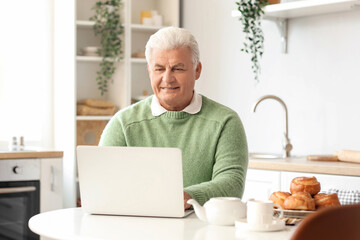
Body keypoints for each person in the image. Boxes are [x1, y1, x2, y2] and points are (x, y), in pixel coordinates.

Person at [99, 27, 248, 209]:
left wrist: (184, 197)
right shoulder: (123, 123)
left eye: (178, 68)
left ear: (197, 70)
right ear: (149, 71)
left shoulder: (225, 121)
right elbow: (104, 184)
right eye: (159, 69)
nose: (167, 79)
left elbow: (231, 184)